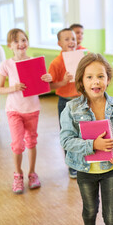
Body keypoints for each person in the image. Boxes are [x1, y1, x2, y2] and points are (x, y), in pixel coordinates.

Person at [60, 53, 113, 225]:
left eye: (101, 76)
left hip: (111, 169)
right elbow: (66, 140)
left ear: (108, 79)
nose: (96, 81)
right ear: (81, 80)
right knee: (90, 211)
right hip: (85, 170)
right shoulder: (71, 108)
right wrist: (93, 145)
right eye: (90, 77)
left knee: (111, 217)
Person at [0, 28, 49, 194]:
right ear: (9, 45)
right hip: (14, 110)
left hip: (32, 109)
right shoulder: (6, 64)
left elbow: (42, 87)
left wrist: (47, 79)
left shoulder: (34, 62)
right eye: (16, 41)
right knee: (18, 144)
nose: (21, 44)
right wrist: (13, 88)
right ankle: (18, 174)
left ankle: (32, 173)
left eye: (24, 40)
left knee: (31, 142)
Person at [43, 28, 81, 179]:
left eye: (73, 38)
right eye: (67, 39)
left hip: (82, 101)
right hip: (65, 103)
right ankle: (72, 165)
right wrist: (64, 82)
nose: (71, 41)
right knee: (68, 134)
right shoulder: (57, 63)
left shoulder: (82, 56)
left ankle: (83, 160)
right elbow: (49, 86)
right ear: (59, 43)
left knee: (83, 133)